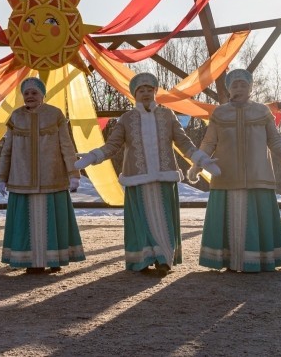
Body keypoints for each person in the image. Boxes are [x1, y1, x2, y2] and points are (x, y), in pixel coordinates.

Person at [75, 73, 217, 275]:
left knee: (164, 219)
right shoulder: (127, 118)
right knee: (141, 221)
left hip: (164, 177)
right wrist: (92, 157)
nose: (146, 93)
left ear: (155, 92)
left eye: (150, 90)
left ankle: (164, 260)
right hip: (137, 178)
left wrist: (201, 159)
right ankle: (143, 260)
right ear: (134, 95)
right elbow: (113, 145)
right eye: (141, 90)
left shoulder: (167, 115)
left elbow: (183, 142)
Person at [190, 69, 281, 273]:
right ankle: (228, 260)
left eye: (243, 85)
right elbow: (209, 142)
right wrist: (197, 164)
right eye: (235, 85)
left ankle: (257, 260)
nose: (239, 88)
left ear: (250, 88)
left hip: (257, 176)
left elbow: (275, 141)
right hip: (225, 176)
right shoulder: (219, 113)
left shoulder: (262, 111)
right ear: (229, 89)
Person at [0, 77, 85, 273]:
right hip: (22, 178)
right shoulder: (15, 116)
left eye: (34, 92)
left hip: (52, 176)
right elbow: (7, 150)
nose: (30, 96)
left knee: (52, 221)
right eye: (26, 93)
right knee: (26, 222)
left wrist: (73, 173)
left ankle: (55, 259)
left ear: (42, 95)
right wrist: (2, 177)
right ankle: (31, 261)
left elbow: (66, 145)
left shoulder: (55, 114)